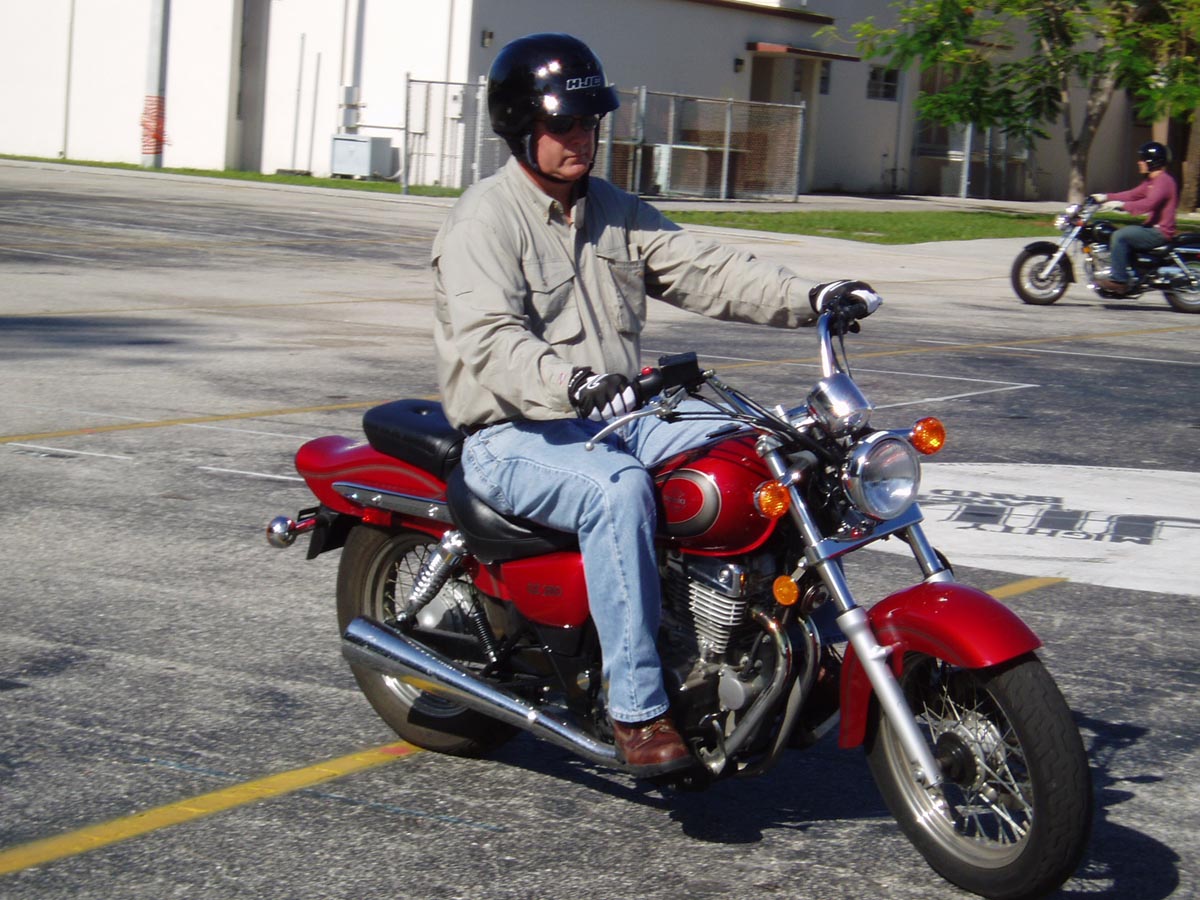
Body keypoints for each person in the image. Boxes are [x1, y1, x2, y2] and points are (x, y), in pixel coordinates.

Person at [431, 32, 880, 774]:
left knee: (767, 450)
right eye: (564, 124)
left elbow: (706, 269)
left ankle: (787, 639)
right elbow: (491, 340)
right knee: (619, 492)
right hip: (513, 432)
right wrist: (572, 383)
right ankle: (637, 709)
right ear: (521, 127)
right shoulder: (485, 219)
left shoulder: (611, 209)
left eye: (590, 122)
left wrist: (812, 296)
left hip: (615, 417)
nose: (583, 137)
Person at [1090, 141, 1178, 295]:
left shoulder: (1163, 181)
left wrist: (1122, 206)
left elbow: (1149, 204)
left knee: (1120, 236)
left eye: (1142, 159)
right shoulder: (1151, 181)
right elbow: (1132, 194)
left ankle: (1119, 280)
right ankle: (1129, 271)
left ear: (1152, 161)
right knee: (1118, 233)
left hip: (1159, 232)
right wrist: (1105, 197)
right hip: (1151, 228)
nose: (1139, 162)